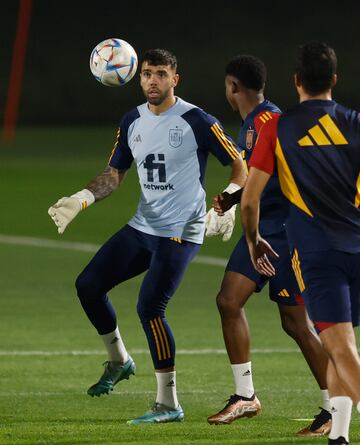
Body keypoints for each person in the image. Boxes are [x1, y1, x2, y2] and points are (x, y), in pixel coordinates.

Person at [48, 48, 247, 425]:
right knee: (88, 285)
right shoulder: (132, 120)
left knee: (149, 307)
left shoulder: (197, 120)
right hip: (143, 227)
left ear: (175, 79)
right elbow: (114, 173)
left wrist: (231, 201)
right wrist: (82, 198)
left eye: (160, 74)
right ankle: (120, 361)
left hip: (181, 232)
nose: (152, 81)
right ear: (137, 78)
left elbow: (240, 164)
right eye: (146, 74)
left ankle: (168, 403)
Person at [205, 54, 331, 436]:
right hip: (262, 224)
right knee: (229, 300)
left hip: (285, 232)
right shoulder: (254, 123)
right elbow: (264, 176)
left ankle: (333, 407)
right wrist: (233, 197)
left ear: (232, 87)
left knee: (296, 322)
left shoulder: (266, 121)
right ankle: (245, 396)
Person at [241, 42, 360, 445]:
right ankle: (338, 436)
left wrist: (255, 240)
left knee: (340, 347)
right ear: (334, 80)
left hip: (319, 253)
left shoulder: (278, 126)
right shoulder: (356, 122)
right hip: (357, 244)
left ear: (295, 82)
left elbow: (250, 197)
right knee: (341, 342)